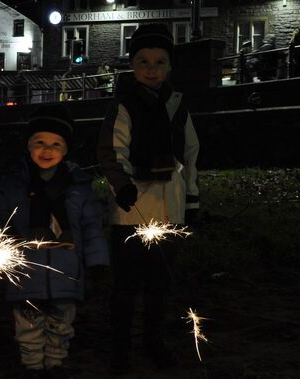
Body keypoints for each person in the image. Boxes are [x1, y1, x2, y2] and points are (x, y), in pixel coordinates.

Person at [96, 23, 200, 375]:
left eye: (159, 62)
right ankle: (121, 348)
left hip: (169, 209)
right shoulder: (122, 106)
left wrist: (192, 200)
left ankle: (153, 341)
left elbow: (190, 154)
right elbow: (111, 152)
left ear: (170, 66)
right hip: (130, 212)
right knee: (125, 287)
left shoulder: (176, 106)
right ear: (132, 65)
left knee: (160, 284)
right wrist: (121, 187)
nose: (151, 69)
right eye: (143, 61)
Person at [0, 104, 110, 379]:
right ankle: (32, 365)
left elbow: (91, 226)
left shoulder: (78, 185)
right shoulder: (14, 184)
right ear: (29, 146)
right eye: (40, 142)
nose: (47, 150)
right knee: (28, 322)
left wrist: (97, 260)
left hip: (66, 269)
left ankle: (55, 364)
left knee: (61, 322)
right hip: (26, 270)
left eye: (56, 144)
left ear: (65, 150)